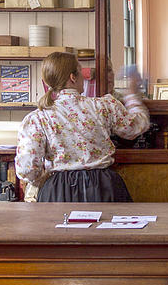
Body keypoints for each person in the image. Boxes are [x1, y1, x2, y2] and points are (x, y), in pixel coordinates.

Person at [15, 51, 149, 202]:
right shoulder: (103, 106)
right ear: (73, 77)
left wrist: (42, 178)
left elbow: (26, 170)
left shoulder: (36, 119)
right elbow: (137, 126)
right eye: (80, 72)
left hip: (58, 191)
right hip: (102, 187)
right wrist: (132, 94)